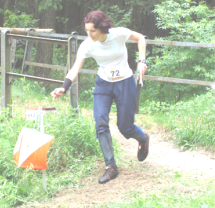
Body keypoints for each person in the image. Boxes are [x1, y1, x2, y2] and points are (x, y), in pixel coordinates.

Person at [50, 10, 150, 184]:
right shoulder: (88, 44)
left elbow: (141, 38)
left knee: (125, 127)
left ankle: (143, 138)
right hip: (103, 84)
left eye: (92, 31)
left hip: (124, 83)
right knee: (100, 122)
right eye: (87, 31)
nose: (89, 35)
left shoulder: (118, 34)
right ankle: (110, 166)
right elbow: (75, 68)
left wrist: (142, 61)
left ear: (102, 28)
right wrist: (64, 88)